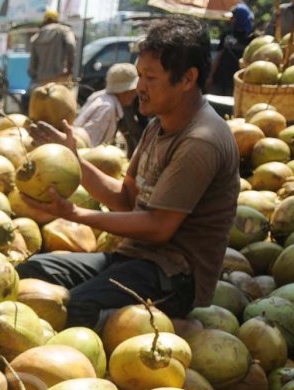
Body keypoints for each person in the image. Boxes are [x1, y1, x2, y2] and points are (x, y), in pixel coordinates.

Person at [15, 16, 239, 329]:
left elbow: (158, 227)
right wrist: (73, 159)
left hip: (175, 278)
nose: (139, 87)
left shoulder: (201, 141)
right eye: (138, 76)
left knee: (76, 306)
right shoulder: (157, 127)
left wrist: (74, 213)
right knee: (32, 271)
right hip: (134, 259)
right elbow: (125, 199)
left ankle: (168, 334)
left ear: (188, 78)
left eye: (149, 77)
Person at [73, 62, 138, 146]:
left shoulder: (100, 96)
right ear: (125, 91)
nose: (135, 93)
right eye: (133, 90)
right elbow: (89, 144)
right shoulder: (107, 109)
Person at [28, 8, 77, 90]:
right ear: (57, 19)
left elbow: (32, 64)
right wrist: (69, 70)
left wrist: (34, 75)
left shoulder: (36, 36)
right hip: (61, 79)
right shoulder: (64, 30)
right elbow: (71, 45)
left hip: (41, 81)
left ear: (45, 20)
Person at [210, 3, 253, 96]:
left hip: (237, 83)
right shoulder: (227, 35)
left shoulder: (252, 39)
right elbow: (219, 56)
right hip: (219, 80)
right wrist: (210, 76)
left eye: (233, 18)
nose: (230, 20)